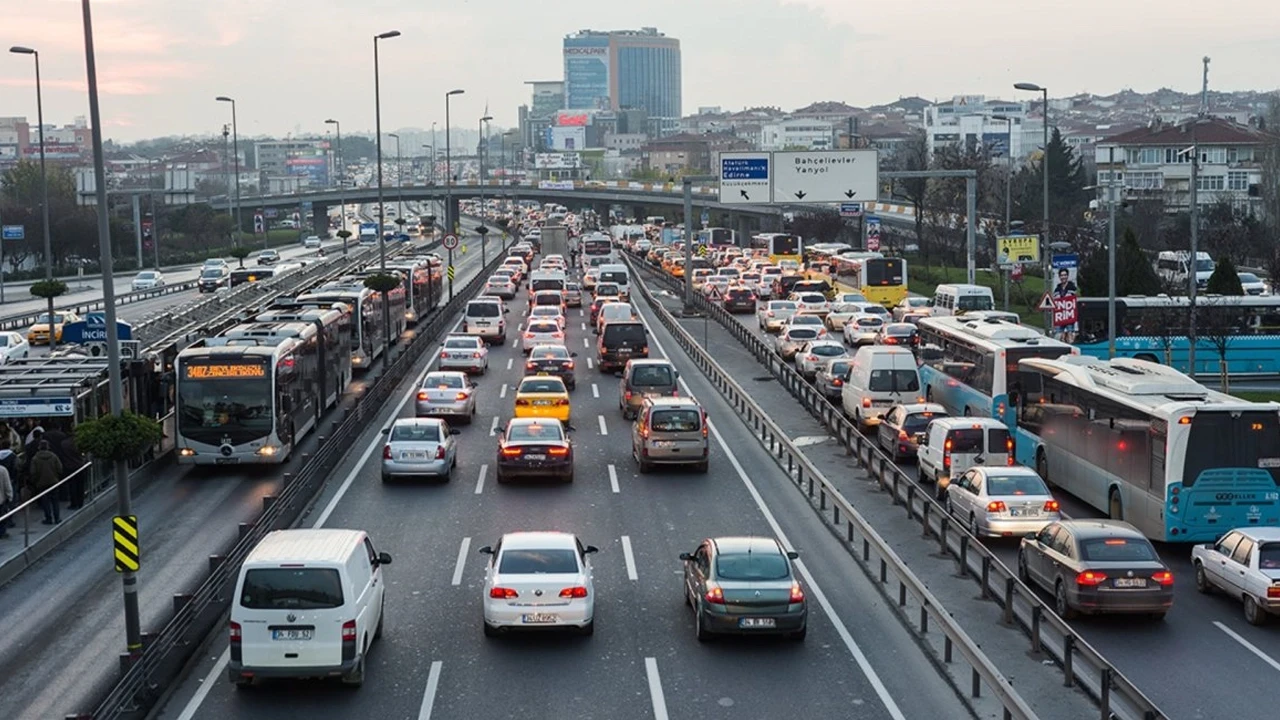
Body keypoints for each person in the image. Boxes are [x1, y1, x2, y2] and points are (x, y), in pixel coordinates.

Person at [30, 440, 63, 525]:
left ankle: (48, 518)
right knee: (55, 500)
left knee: (45, 501)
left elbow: (33, 472)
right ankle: (57, 517)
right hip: (53, 481)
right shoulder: (54, 456)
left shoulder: (35, 458)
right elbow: (59, 468)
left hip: (41, 482)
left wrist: (36, 480)